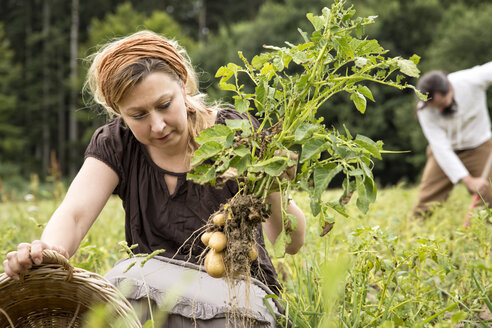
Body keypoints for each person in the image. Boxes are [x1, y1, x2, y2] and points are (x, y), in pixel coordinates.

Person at [3, 30, 306, 327]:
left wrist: (274, 184)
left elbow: (290, 243)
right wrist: (45, 254)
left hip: (236, 301)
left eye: (164, 105)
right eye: (138, 115)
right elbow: (75, 214)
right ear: (118, 112)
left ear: (184, 85)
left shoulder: (237, 134)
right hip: (150, 301)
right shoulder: (117, 143)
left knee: (128, 279)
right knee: (119, 289)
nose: (157, 126)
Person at [412, 61, 492, 217]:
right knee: (426, 201)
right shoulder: (424, 109)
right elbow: (441, 148)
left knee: (489, 196)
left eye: (442, 104)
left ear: (449, 89)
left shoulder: (471, 80)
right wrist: (469, 181)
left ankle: (483, 237)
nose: (439, 109)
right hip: (445, 152)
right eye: (435, 106)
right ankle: (413, 235)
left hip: (479, 146)